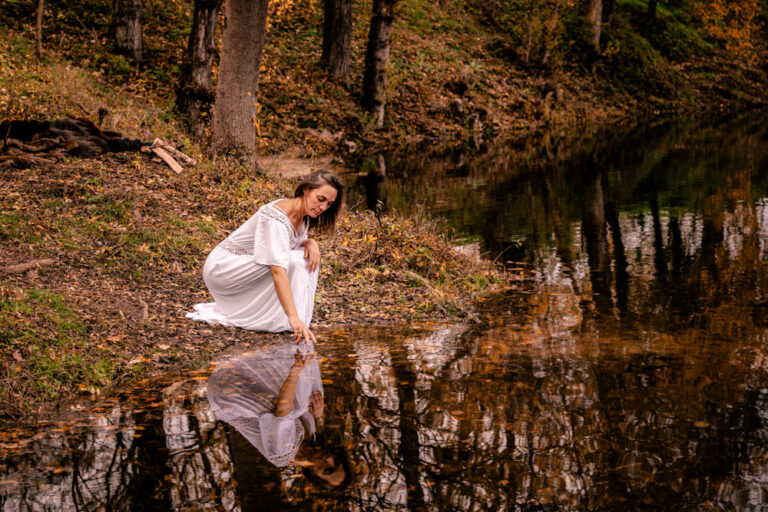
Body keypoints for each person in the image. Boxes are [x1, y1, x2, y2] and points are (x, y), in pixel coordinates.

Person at [187, 170, 344, 343]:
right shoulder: (275, 218)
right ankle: (290, 318)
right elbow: (277, 270)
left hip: (246, 266)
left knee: (303, 257)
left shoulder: (302, 215)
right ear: (306, 190)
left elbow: (288, 245)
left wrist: (310, 242)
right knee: (293, 261)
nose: (323, 208)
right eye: (320, 199)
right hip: (223, 269)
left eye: (329, 204)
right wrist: (293, 319)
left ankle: (287, 317)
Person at [206, 342, 351, 488]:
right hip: (254, 392)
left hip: (229, 397)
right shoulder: (313, 442)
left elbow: (282, 412)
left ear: (313, 474)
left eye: (328, 470)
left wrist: (295, 372)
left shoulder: (282, 454)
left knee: (297, 406)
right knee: (312, 401)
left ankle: (289, 353)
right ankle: (298, 349)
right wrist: (316, 416)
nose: (331, 459)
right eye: (337, 462)